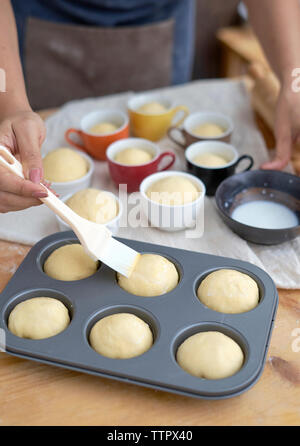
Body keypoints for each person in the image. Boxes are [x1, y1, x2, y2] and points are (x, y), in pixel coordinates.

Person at [0, 0, 300, 213]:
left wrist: (294, 77)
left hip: (157, 23)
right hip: (36, 26)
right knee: (27, 149)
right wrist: (10, 103)